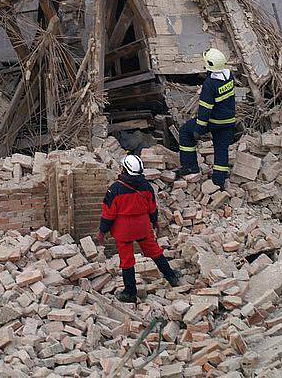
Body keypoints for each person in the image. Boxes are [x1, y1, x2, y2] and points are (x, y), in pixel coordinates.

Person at [97, 154, 180, 303]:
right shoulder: (146, 186)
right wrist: (155, 223)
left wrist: (102, 231)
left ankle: (130, 292)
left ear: (124, 170)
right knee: (154, 251)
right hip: (142, 226)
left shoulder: (115, 189)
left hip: (124, 230)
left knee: (127, 260)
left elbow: (108, 213)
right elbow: (152, 208)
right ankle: (171, 277)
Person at [177, 48, 236, 191]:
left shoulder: (210, 84)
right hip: (229, 121)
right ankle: (219, 182)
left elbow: (205, 109)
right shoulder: (229, 76)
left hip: (215, 121)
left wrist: (199, 129)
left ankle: (190, 167)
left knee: (185, 131)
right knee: (221, 149)